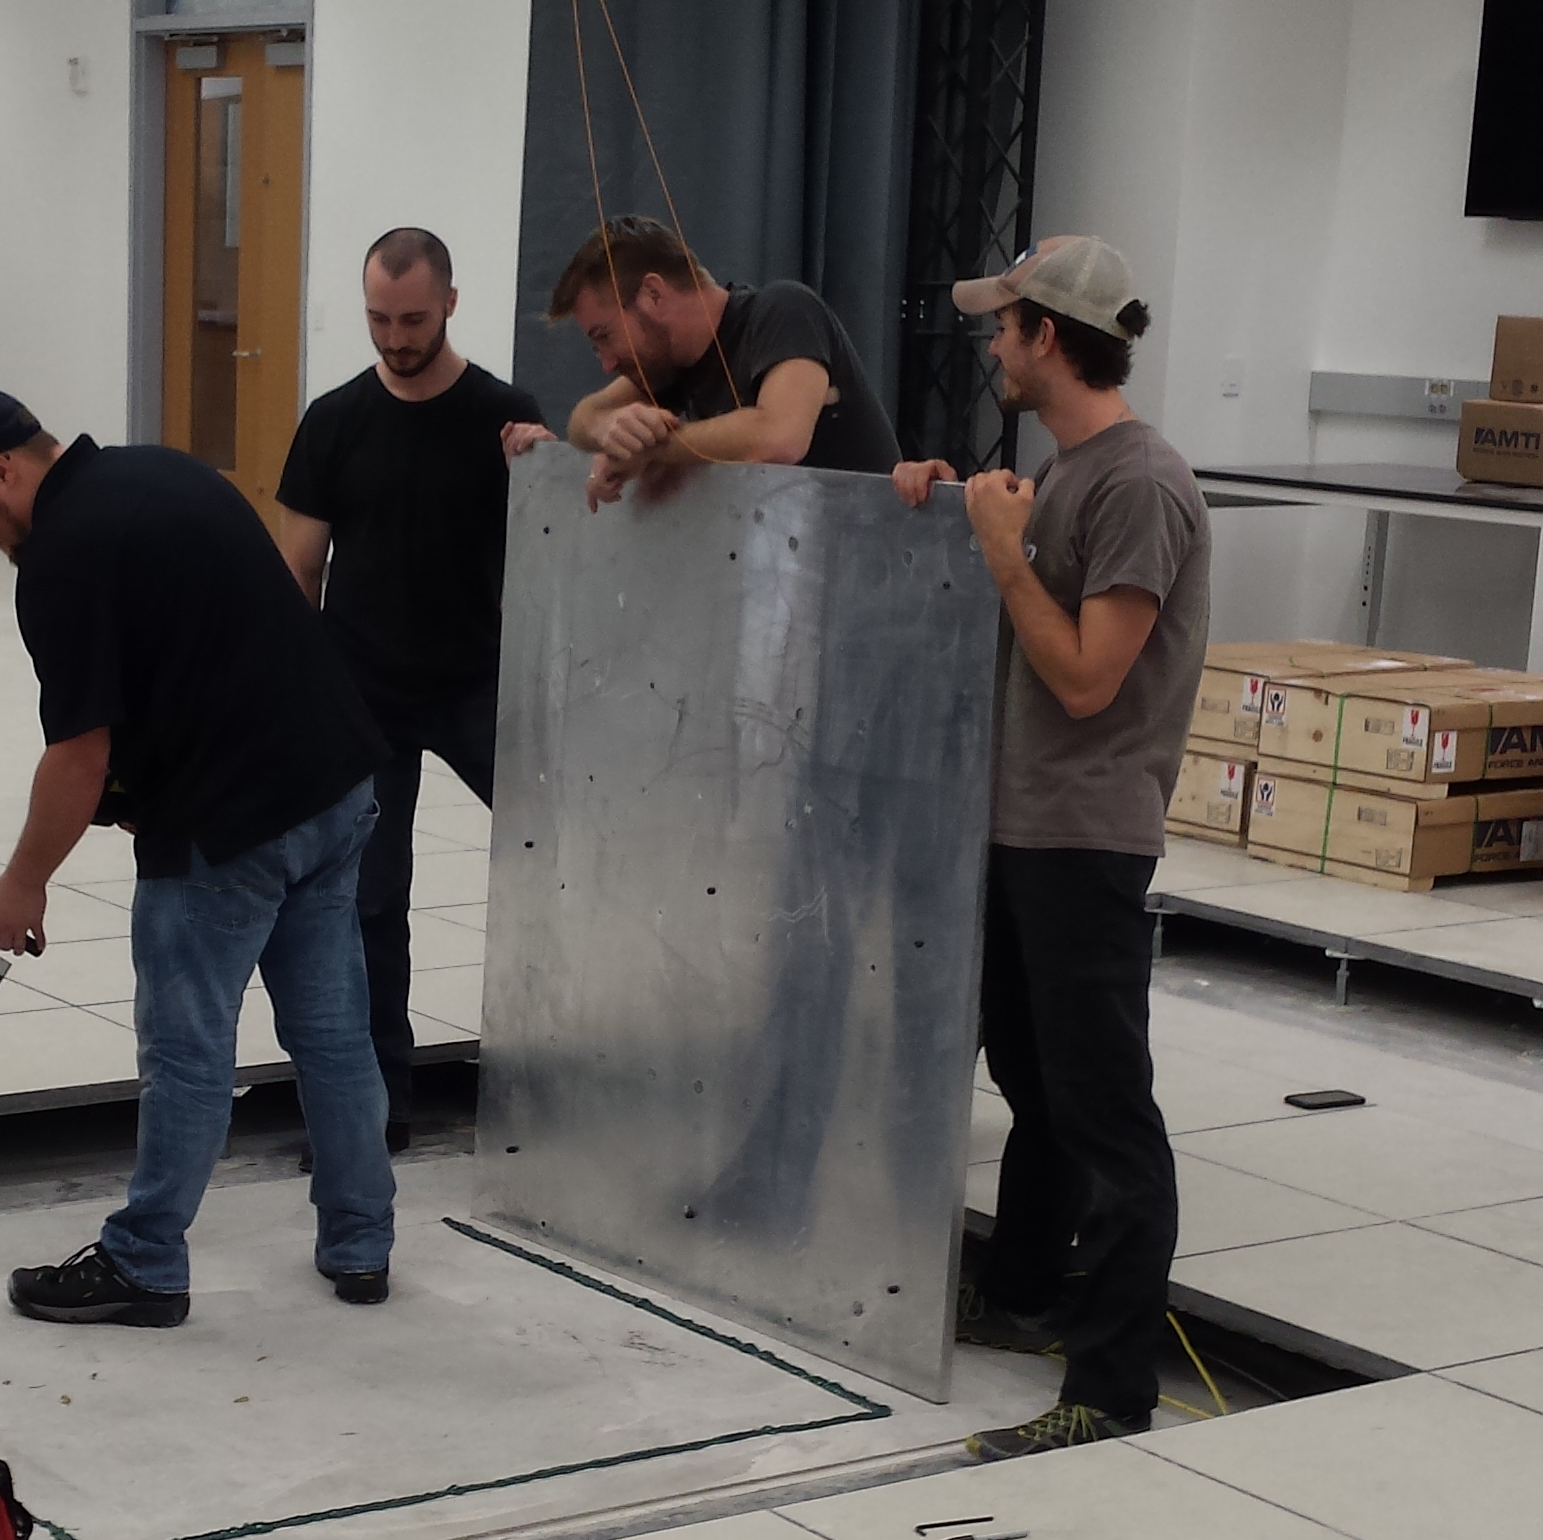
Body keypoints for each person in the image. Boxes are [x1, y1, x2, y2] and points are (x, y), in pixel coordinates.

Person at [0, 386, 399, 1327]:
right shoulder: (161, 469)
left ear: (1, 470)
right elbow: (217, 642)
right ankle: (361, 1244)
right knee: (332, 1036)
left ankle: (146, 1262)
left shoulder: (60, 562)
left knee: (187, 1052)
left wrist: (22, 882)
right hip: (336, 786)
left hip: (230, 827)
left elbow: (79, 753)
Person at [886, 238, 1208, 1461]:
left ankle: (1112, 1389)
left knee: (1104, 1115)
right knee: (1037, 1091)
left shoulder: (1140, 485)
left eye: (1003, 327)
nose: (989, 345)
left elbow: (1086, 679)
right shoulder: (1066, 472)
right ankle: (1023, 1295)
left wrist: (1004, 555)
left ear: (1049, 338)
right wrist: (948, 517)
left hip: (1085, 840)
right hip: (1019, 831)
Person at [270, 228, 551, 1149]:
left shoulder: (507, 416)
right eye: (379, 319)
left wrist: (547, 470)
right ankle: (373, 1104)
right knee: (367, 902)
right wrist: (295, 704)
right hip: (364, 695)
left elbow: (563, 549)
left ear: (452, 305)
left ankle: (574, 1081)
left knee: (564, 861)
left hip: (480, 683)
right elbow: (295, 574)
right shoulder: (335, 419)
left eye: (414, 320)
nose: (395, 338)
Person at [545, 215, 899, 508]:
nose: (606, 363)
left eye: (605, 336)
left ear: (653, 295)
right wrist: (611, 429)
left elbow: (779, 438)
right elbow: (583, 418)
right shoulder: (670, 365)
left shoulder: (783, 310)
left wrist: (649, 449)